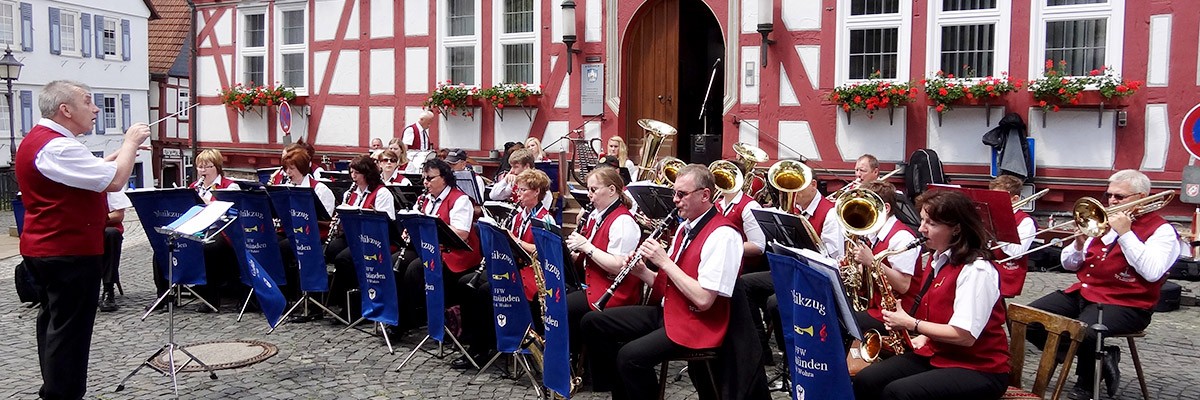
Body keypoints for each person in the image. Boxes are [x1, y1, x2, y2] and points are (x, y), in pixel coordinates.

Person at [16, 80, 150, 399]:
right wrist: (130, 142)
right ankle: (62, 394)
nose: (95, 109)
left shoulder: (44, 142)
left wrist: (119, 153)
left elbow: (90, 172)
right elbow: (116, 180)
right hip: (68, 251)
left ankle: (54, 388)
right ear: (66, 110)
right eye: (88, 102)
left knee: (54, 324)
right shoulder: (58, 146)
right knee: (70, 335)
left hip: (48, 249)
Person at [581, 164, 743, 398]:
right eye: (674, 193)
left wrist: (665, 261)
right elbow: (670, 285)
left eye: (681, 194)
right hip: (670, 312)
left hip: (697, 322)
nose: (675, 200)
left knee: (630, 357)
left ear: (705, 195)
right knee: (593, 322)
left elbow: (704, 299)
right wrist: (641, 272)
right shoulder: (685, 228)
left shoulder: (723, 235)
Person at [1027, 169, 1179, 399]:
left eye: (1119, 197)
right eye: (1109, 195)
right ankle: (1099, 356)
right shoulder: (1100, 224)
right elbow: (1069, 265)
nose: (1111, 201)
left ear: (1141, 197)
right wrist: (1078, 244)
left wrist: (1126, 234)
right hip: (1086, 293)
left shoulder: (1162, 231)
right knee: (1027, 317)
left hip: (1128, 303)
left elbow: (1152, 272)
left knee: (1086, 332)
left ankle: (1086, 385)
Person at [852, 189, 1010, 400]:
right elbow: (944, 313)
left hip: (980, 368)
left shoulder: (977, 270)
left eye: (931, 224)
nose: (921, 229)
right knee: (866, 380)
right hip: (940, 354)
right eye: (923, 220)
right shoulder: (939, 260)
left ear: (956, 229)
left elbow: (965, 335)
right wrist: (924, 337)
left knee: (899, 393)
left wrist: (912, 324)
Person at [460, 169, 556, 368]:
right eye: (517, 190)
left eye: (522, 190)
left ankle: (483, 348)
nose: (517, 195)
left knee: (486, 292)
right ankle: (475, 342)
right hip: (515, 267)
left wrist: (513, 240)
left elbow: (541, 251)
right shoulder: (519, 214)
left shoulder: (546, 219)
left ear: (536, 191)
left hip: (533, 272)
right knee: (467, 284)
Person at [394, 158, 484, 363]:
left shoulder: (460, 200)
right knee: (396, 265)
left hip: (456, 254)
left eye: (429, 178)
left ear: (444, 178)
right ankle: (404, 319)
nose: (425, 183)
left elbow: (461, 234)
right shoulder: (426, 199)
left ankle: (408, 322)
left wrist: (430, 228)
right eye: (424, 178)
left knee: (415, 270)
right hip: (430, 250)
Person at [563, 166, 641, 354]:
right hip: (594, 283)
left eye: (593, 189)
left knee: (564, 308)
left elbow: (618, 266)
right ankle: (574, 358)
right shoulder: (599, 216)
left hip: (614, 292)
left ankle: (575, 360)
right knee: (556, 297)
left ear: (612, 190)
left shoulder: (623, 222)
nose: (589, 195)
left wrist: (586, 247)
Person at [844, 181, 921, 338]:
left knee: (841, 322)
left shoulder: (901, 237)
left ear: (885, 208)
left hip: (898, 311)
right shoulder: (872, 233)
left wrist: (872, 261)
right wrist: (853, 269)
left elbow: (903, 285)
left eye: (866, 207)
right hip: (876, 303)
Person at [325, 155, 397, 316]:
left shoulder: (382, 193)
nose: (353, 176)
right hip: (353, 236)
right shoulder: (351, 194)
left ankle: (354, 304)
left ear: (367, 173)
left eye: (357, 173)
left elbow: (387, 224)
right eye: (351, 172)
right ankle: (338, 298)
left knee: (343, 258)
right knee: (331, 249)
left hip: (372, 240)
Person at [188, 149, 243, 310]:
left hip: (222, 231)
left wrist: (205, 202)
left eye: (207, 167)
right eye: (199, 167)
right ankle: (162, 294)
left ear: (217, 167)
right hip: (197, 228)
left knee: (209, 246)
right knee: (166, 244)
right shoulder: (194, 187)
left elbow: (228, 210)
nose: (202, 171)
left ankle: (211, 298)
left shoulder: (229, 186)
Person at [989, 175, 1036, 298]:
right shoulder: (989, 215)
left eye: (998, 198)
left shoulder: (1025, 221)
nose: (993, 202)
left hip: (1005, 275)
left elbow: (1017, 252)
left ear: (1015, 199)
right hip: (987, 270)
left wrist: (996, 230)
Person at [99, 190, 131, 312]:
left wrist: (95, 219)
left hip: (105, 228)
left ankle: (108, 289)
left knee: (111, 234)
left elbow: (118, 215)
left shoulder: (110, 184)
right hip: (82, 230)